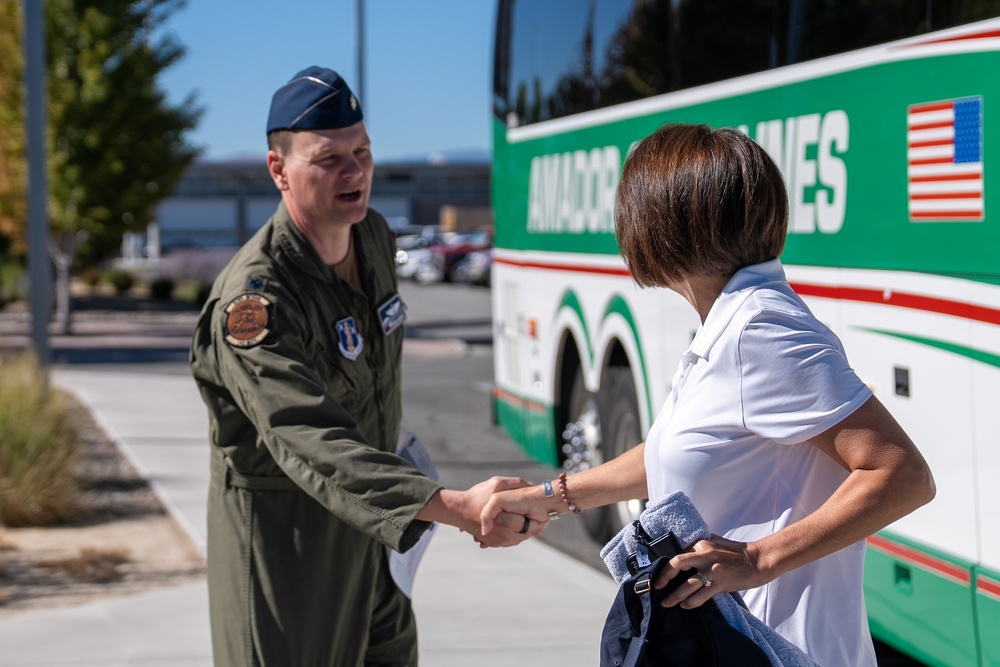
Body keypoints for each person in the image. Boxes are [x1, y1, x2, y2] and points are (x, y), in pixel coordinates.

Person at [481, 123, 935, 666]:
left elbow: (903, 474)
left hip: (777, 651)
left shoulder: (759, 331)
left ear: (663, 224)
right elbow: (674, 452)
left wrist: (757, 559)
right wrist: (550, 498)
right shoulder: (731, 325)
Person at [190, 66, 542, 667]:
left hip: (376, 539)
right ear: (279, 170)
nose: (353, 172)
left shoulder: (373, 238)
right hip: (292, 551)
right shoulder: (256, 302)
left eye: (363, 151)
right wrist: (451, 507)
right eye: (328, 159)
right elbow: (308, 436)